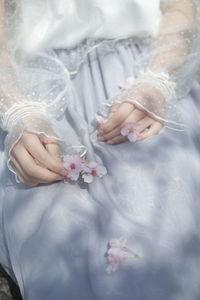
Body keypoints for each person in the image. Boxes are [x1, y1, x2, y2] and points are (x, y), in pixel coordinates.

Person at [0, 0, 200, 299]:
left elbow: (179, 9)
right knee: (55, 234)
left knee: (160, 230)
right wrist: (16, 108)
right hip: (35, 89)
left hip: (140, 72)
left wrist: (158, 81)